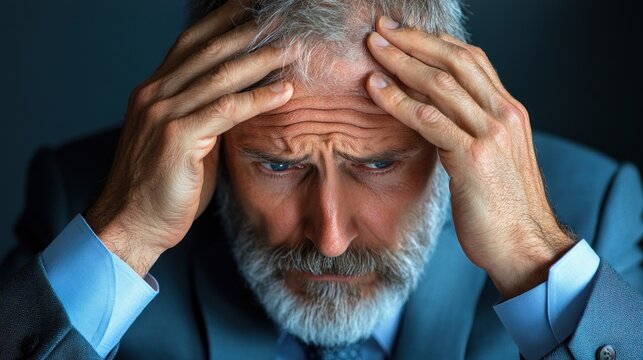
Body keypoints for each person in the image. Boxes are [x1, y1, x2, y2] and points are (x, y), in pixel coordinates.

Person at [1, 0, 641, 359]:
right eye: (278, 164)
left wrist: (535, 260)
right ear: (211, 140)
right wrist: (126, 234)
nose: (330, 237)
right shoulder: (82, 202)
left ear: (449, 132)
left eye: (378, 164)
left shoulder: (598, 214)